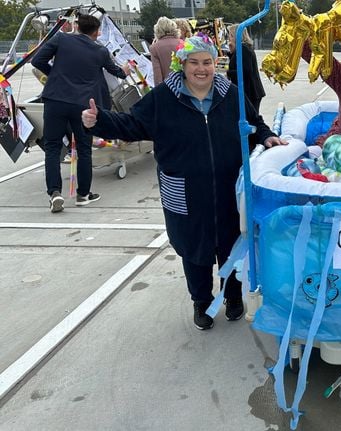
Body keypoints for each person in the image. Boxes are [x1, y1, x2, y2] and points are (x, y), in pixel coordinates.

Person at [81, 35, 286, 330]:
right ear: (182, 64)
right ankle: (201, 302)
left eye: (207, 62)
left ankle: (233, 297)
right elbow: (131, 125)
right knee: (194, 249)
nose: (201, 69)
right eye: (194, 63)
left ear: (215, 64)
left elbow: (255, 123)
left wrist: (267, 137)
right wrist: (97, 120)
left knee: (232, 244)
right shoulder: (163, 98)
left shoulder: (231, 95)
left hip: (229, 187)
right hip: (185, 191)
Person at [31, 14, 130, 213]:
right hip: (83, 104)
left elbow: (37, 60)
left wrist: (54, 74)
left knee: (52, 147)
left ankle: (55, 193)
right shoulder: (100, 51)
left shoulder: (61, 39)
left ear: (77, 27)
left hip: (55, 99)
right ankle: (83, 195)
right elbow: (117, 72)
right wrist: (126, 70)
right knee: (84, 148)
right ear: (96, 32)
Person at [227, 24, 266, 114]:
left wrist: (228, 73)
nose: (228, 37)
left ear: (235, 35)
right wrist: (231, 52)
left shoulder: (244, 49)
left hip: (250, 92)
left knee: (250, 119)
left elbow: (245, 71)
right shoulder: (242, 48)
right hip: (249, 91)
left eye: (230, 35)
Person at [149, 17, 181, 86]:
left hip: (168, 87)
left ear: (157, 30)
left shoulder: (154, 48)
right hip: (185, 85)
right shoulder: (183, 43)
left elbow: (158, 76)